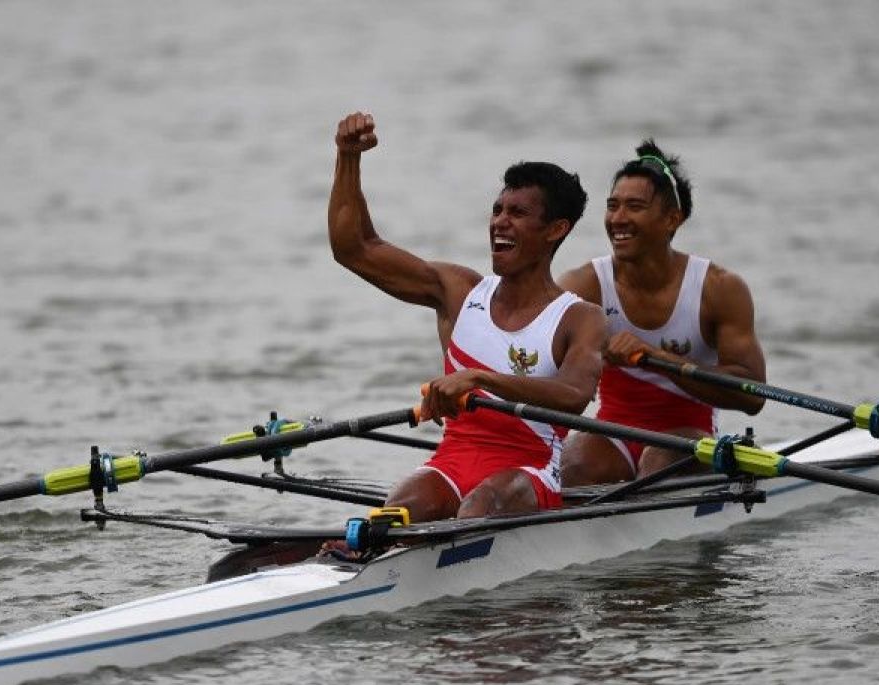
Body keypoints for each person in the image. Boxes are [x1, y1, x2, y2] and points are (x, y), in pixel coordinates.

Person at [328, 111, 605, 525]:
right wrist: (348, 157)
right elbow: (354, 248)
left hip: (528, 472)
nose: (499, 222)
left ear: (555, 229)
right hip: (453, 462)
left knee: (479, 507)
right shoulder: (457, 291)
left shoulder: (579, 317)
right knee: (392, 516)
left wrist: (479, 378)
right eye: (497, 210)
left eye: (517, 213)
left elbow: (574, 393)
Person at [558, 140, 766, 486]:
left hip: (688, 433)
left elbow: (753, 394)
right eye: (612, 206)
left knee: (657, 465)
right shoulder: (583, 285)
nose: (618, 219)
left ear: (673, 219)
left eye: (634, 207)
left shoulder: (719, 288)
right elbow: (544, 367)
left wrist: (659, 359)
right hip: (611, 433)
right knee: (572, 470)